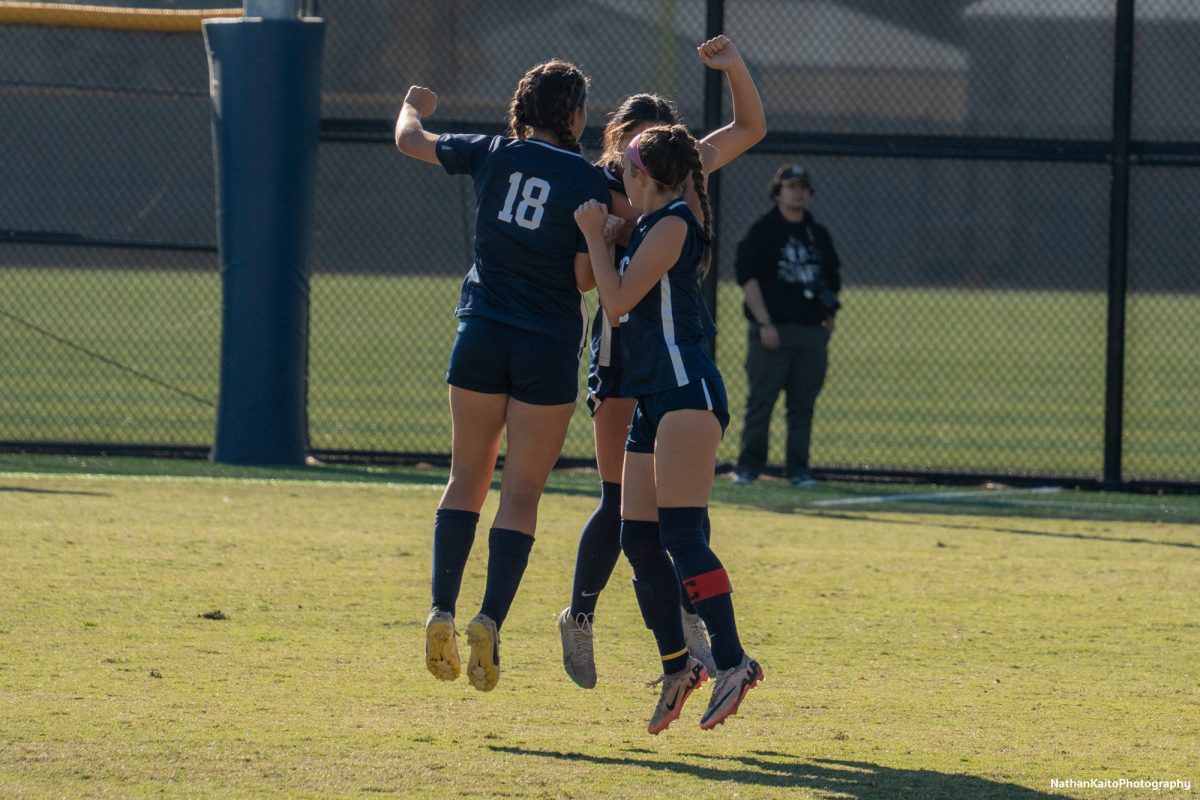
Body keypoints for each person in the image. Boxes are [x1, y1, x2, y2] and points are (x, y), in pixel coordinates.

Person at [557, 35, 766, 692]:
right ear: (616, 142)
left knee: (678, 514)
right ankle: (581, 616)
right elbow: (590, 284)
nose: (642, 152)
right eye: (632, 141)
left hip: (676, 358)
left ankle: (689, 639)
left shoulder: (682, 171)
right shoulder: (604, 186)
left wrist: (733, 67)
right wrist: (607, 237)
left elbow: (752, 127)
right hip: (624, 358)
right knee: (624, 503)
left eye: (655, 139)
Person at [393, 61, 610, 692]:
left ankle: (440, 608)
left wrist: (413, 100)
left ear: (524, 108)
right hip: (545, 345)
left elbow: (410, 139)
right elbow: (584, 279)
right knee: (520, 495)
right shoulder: (585, 178)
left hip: (481, 332)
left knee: (466, 479)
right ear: (573, 115)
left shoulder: (491, 151)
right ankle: (490, 619)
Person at [732, 164, 841, 488]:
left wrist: (829, 319)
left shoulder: (817, 234)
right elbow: (747, 277)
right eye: (791, 186)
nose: (798, 192)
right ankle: (749, 467)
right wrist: (764, 322)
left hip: (810, 332)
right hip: (772, 330)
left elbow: (832, 280)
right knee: (761, 402)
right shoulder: (763, 231)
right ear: (777, 192)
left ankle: (798, 470)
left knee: (802, 405)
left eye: (803, 186)